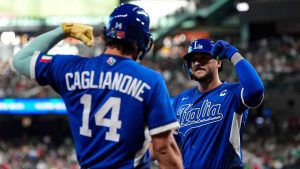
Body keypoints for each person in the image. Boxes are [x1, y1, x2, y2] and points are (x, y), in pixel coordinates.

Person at [12, 3, 183, 169]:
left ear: (108, 33)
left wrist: (63, 31)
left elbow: (20, 60)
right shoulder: (150, 80)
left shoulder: (69, 68)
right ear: (142, 41)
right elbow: (163, 148)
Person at [172, 39, 264, 169]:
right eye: (193, 60)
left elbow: (256, 90)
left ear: (218, 62)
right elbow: (170, 145)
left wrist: (233, 54)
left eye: (204, 58)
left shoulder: (233, 93)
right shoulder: (180, 100)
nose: (197, 62)